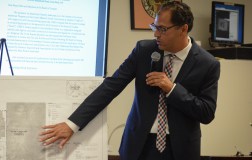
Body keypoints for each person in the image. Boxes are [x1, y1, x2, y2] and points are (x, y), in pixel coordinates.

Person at [39, 1, 220, 160]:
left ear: (183, 29)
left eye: (162, 29)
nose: (156, 34)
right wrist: (72, 124)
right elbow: (111, 86)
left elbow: (206, 112)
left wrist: (172, 89)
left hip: (179, 150)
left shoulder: (207, 64)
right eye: (154, 27)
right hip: (139, 146)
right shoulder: (144, 50)